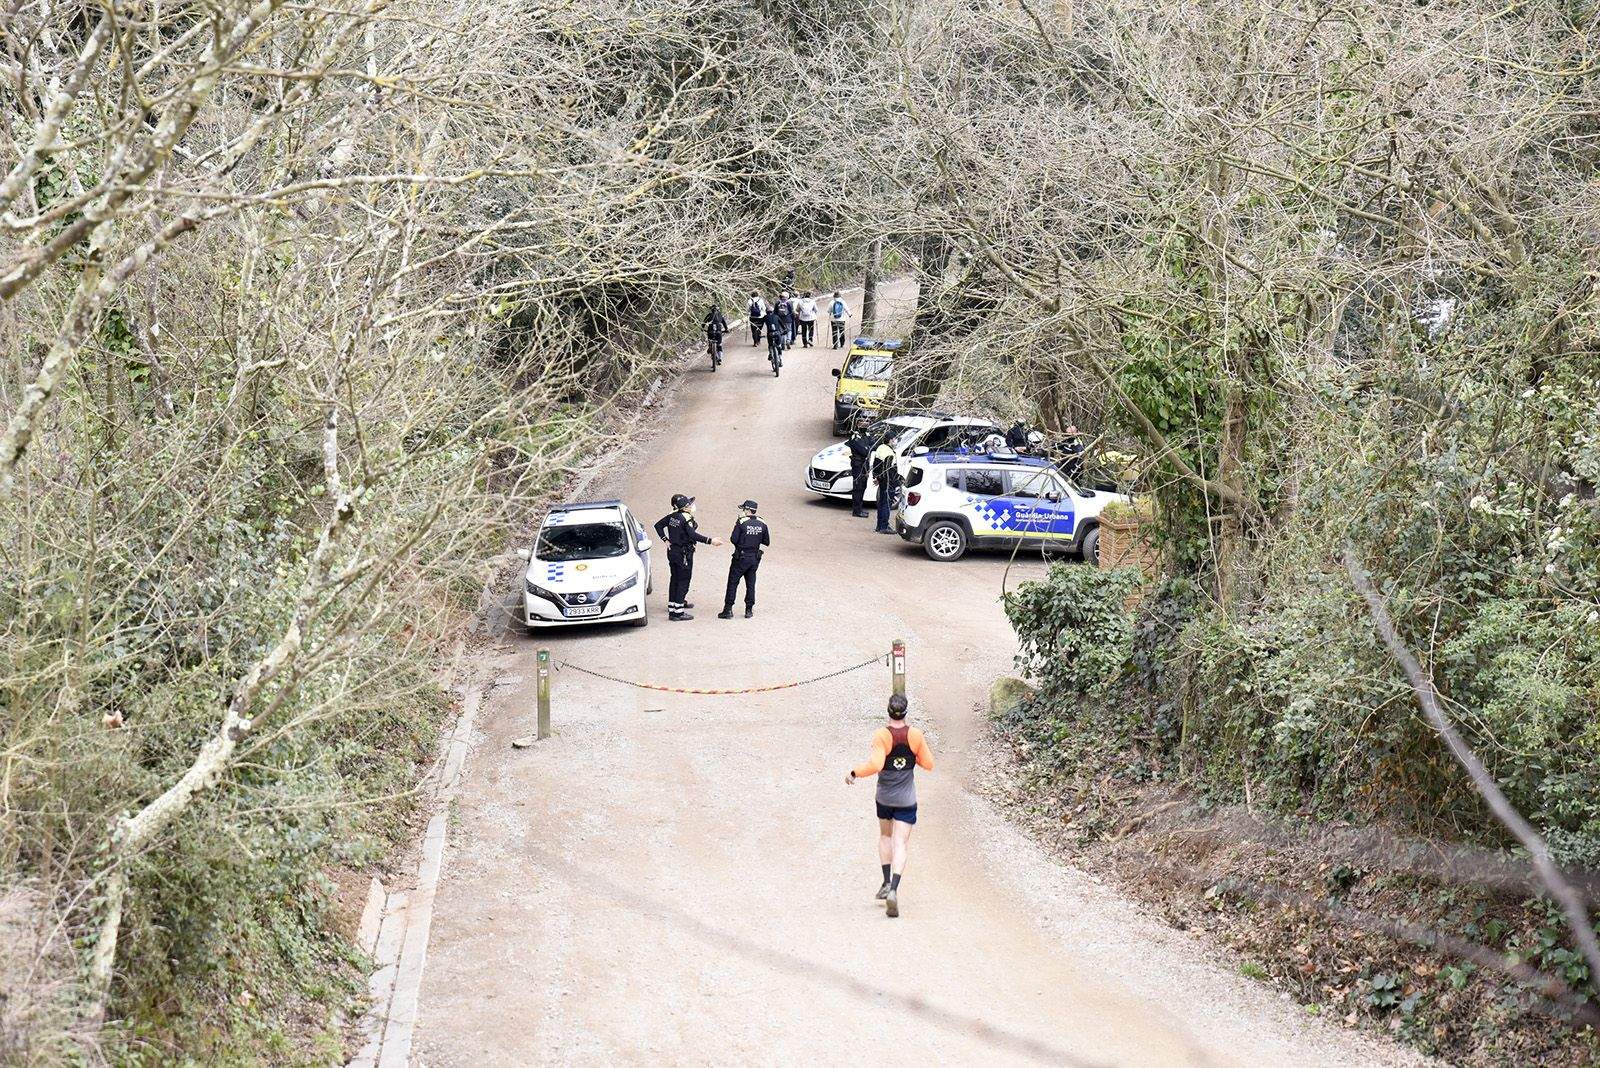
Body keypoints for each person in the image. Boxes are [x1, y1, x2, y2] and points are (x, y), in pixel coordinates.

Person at [846, 693, 934, 918]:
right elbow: (928, 764)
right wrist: (912, 757)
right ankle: (894, 888)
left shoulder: (882, 736)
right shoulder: (915, 735)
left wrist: (854, 773)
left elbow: (876, 765)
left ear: (888, 711)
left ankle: (885, 882)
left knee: (885, 837)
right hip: (906, 799)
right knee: (901, 843)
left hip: (885, 797)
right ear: (906, 712)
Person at [653, 494, 723, 621]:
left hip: (672, 551)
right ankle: (678, 613)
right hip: (683, 553)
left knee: (674, 579)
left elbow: (658, 525)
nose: (692, 506)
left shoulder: (672, 516)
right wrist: (710, 541)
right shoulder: (686, 518)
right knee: (683, 580)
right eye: (690, 504)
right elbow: (692, 535)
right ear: (685, 507)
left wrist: (665, 540)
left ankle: (672, 607)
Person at [718, 499, 770, 619]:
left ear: (747, 510)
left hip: (741, 557)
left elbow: (733, 539)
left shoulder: (741, 522)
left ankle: (728, 610)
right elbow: (766, 541)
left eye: (744, 509)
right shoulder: (762, 522)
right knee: (751, 584)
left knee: (733, 582)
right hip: (754, 558)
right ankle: (749, 610)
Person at [845, 419, 873, 518]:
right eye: (862, 423)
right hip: (858, 465)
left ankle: (860, 509)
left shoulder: (867, 435)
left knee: (863, 486)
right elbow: (864, 451)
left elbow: (873, 445)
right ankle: (856, 510)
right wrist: (867, 448)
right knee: (858, 488)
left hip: (865, 465)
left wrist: (867, 448)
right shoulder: (855, 437)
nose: (865, 425)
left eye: (866, 423)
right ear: (857, 424)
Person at [871, 431, 898, 534]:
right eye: (894, 439)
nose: (895, 441)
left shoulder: (880, 448)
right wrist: (898, 480)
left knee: (882, 504)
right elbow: (888, 470)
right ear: (890, 440)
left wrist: (877, 478)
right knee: (886, 505)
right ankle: (884, 526)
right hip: (888, 483)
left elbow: (876, 466)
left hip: (882, 482)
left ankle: (879, 526)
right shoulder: (889, 453)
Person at [763, 301, 786, 368]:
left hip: (770, 334)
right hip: (777, 333)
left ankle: (770, 353)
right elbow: (782, 325)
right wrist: (785, 330)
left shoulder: (765, 317)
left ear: (766, 312)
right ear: (772, 311)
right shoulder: (776, 316)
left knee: (770, 345)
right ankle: (780, 359)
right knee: (779, 346)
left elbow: (760, 324)